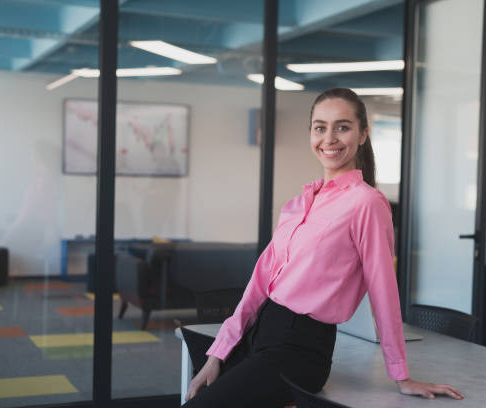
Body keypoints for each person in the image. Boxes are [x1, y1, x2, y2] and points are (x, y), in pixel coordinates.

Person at [182, 88, 464, 407]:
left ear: (362, 135)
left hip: (299, 350)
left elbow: (384, 291)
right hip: (259, 335)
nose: (329, 138)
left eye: (342, 127)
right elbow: (259, 285)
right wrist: (219, 351)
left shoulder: (367, 203)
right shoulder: (298, 204)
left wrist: (401, 376)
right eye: (320, 127)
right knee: (195, 394)